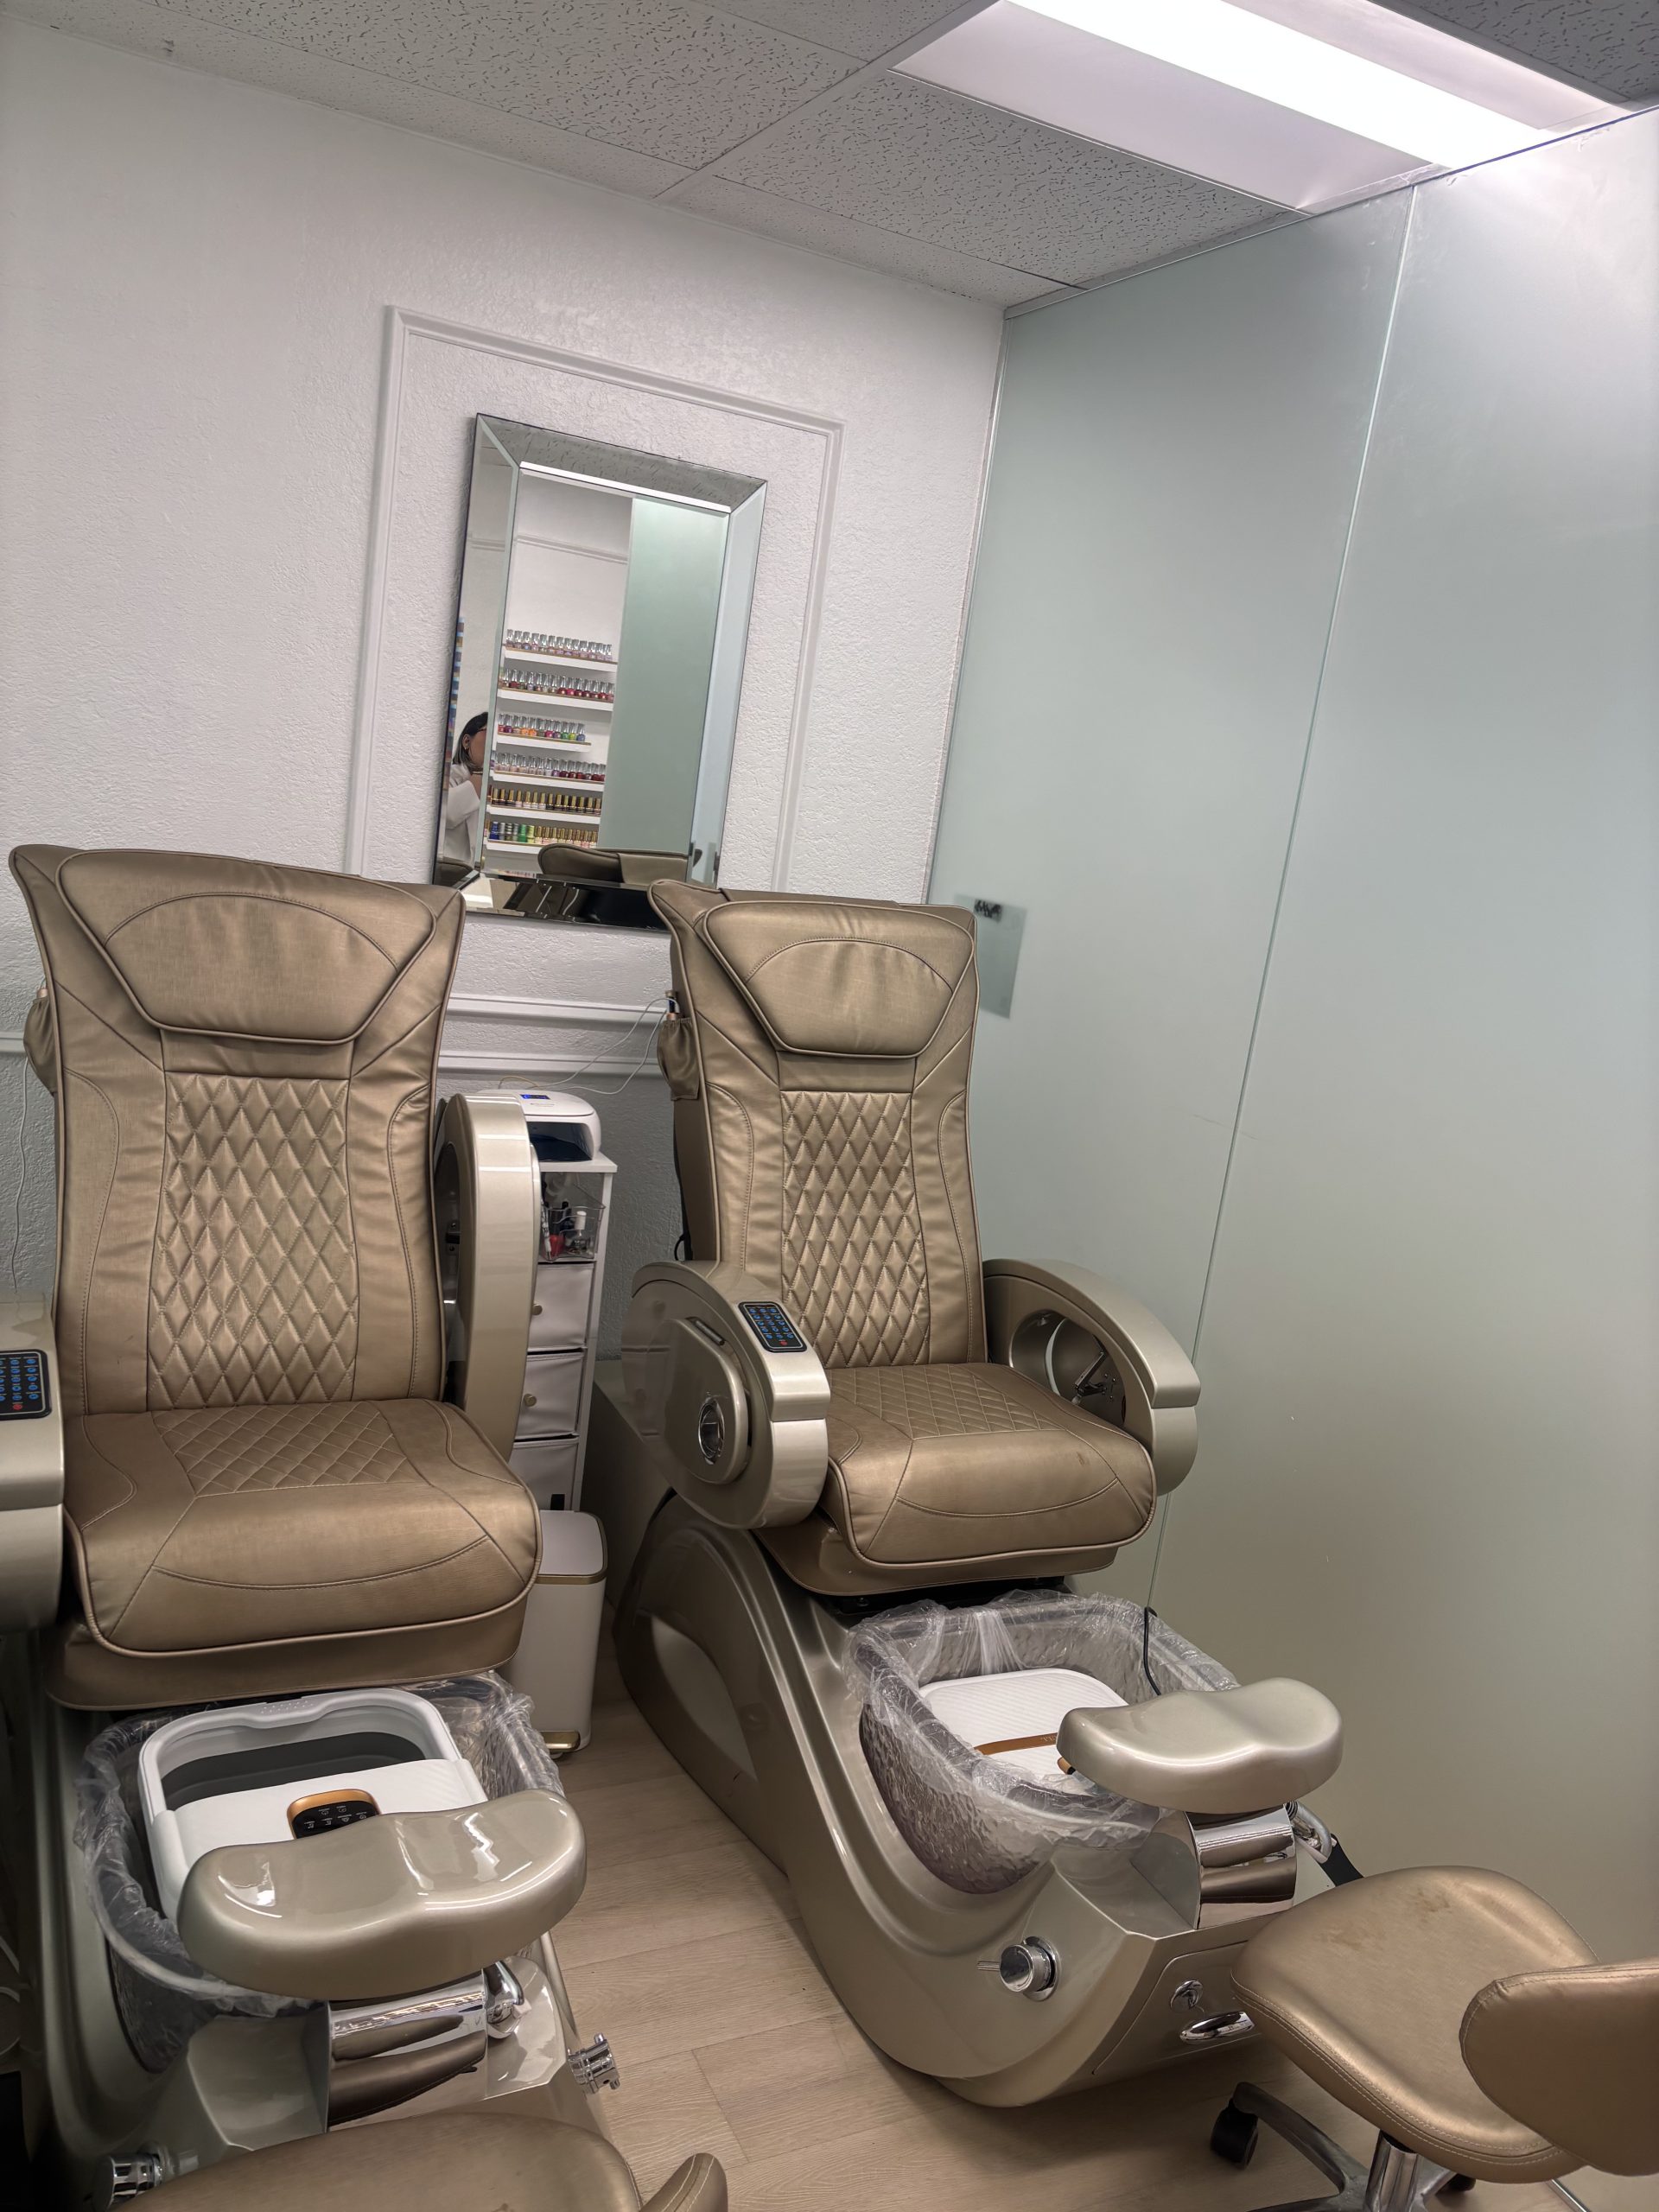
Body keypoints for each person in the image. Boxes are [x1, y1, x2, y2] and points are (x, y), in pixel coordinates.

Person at [442, 712, 488, 866]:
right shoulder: (448, 775)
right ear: (467, 741)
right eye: (489, 732)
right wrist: (480, 778)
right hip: (449, 872)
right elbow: (447, 813)